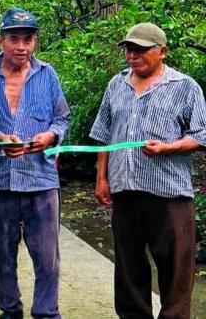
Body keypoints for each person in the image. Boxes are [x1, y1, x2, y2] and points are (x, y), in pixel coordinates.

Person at [90, 22, 206, 319]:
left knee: (176, 269)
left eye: (141, 50)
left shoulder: (184, 87)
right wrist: (102, 179)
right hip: (124, 191)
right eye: (129, 50)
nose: (133, 56)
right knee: (128, 268)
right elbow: (103, 134)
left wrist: (167, 148)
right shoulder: (117, 84)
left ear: (162, 51)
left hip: (169, 194)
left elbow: (201, 136)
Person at [0, 8, 70, 319]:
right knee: (3, 253)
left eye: (28, 39)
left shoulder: (47, 74)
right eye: (14, 39)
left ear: (35, 42)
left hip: (41, 180)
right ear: (1, 41)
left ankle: (46, 312)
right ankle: (10, 310)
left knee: (47, 256)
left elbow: (62, 118)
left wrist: (50, 136)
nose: (21, 46)